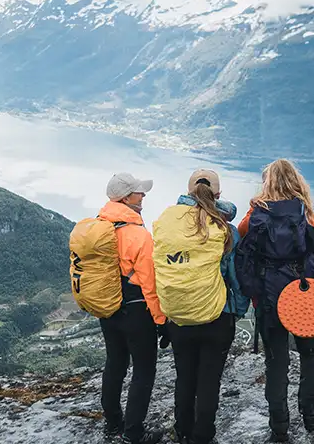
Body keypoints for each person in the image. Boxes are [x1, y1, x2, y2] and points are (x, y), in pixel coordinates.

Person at [234, 159, 314, 443]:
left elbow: (244, 246)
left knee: (276, 363)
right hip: (306, 300)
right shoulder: (311, 220)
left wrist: (257, 207)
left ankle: (279, 427)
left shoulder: (254, 219)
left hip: (269, 301)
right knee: (310, 355)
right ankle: (311, 410)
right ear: (299, 183)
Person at [153, 169, 249, 444]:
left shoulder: (168, 223)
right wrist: (237, 310)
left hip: (179, 318)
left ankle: (182, 431)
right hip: (217, 317)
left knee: (185, 377)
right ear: (218, 194)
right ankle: (203, 436)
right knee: (209, 381)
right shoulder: (225, 229)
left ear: (188, 192)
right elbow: (236, 277)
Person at [96, 172, 166, 444]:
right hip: (137, 310)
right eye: (139, 192)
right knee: (144, 369)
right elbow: (150, 283)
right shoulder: (137, 234)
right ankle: (133, 433)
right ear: (126, 198)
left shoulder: (97, 228)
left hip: (107, 306)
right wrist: (160, 320)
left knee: (115, 363)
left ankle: (113, 422)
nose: (143, 196)